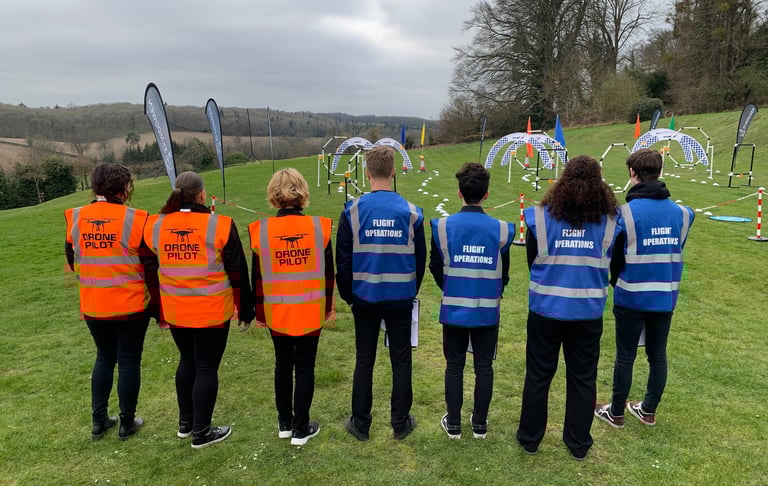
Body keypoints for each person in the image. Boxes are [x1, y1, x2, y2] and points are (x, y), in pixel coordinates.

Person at [516, 155, 620, 461]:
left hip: (546, 309)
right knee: (583, 379)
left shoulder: (539, 217)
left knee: (538, 376)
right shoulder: (611, 220)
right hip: (587, 312)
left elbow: (532, 260)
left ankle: (530, 439)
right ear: (598, 184)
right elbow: (612, 264)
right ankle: (578, 443)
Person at [144, 171, 255, 449]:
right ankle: (202, 432)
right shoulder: (219, 225)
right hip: (211, 310)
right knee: (206, 367)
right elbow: (238, 272)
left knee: (187, 361)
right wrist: (246, 310)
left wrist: (157, 309)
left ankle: (186, 423)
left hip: (175, 309)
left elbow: (149, 271)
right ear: (202, 194)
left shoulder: (155, 225)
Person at [594, 149, 695, 428]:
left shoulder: (622, 214)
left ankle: (616, 413)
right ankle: (648, 410)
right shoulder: (683, 214)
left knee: (626, 355)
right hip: (665, 294)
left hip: (631, 294)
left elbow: (612, 253)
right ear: (660, 172)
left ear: (632, 174)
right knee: (657, 354)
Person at [336, 145, 426, 441]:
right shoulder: (412, 213)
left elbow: (343, 261)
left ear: (367, 172)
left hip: (365, 297)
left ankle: (361, 423)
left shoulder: (352, 211)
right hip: (400, 297)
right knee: (401, 359)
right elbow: (420, 259)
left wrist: (350, 295)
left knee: (365, 358)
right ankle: (400, 423)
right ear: (393, 172)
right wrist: (411, 289)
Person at [65, 163, 156, 441]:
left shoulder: (76, 216)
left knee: (104, 358)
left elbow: (71, 257)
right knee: (129, 361)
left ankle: (99, 420)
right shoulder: (137, 218)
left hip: (93, 303)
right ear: (125, 187)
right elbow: (151, 262)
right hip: (129, 304)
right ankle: (127, 422)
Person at [248, 168, 334, 446]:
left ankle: (285, 423)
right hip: (310, 311)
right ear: (302, 193)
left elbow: (257, 280)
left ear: (274, 195)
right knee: (305, 368)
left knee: (283, 366)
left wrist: (260, 314)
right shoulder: (318, 227)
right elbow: (328, 276)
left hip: (277, 312)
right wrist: (328, 308)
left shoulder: (261, 231)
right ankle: (300, 428)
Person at [429, 162, 513, 440]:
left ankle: (454, 423)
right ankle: (479, 424)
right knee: (484, 366)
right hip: (488, 309)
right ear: (487, 194)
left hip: (453, 307)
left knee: (454, 365)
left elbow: (434, 266)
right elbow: (505, 273)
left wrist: (450, 286)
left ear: (459, 193)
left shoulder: (442, 227)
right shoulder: (501, 229)